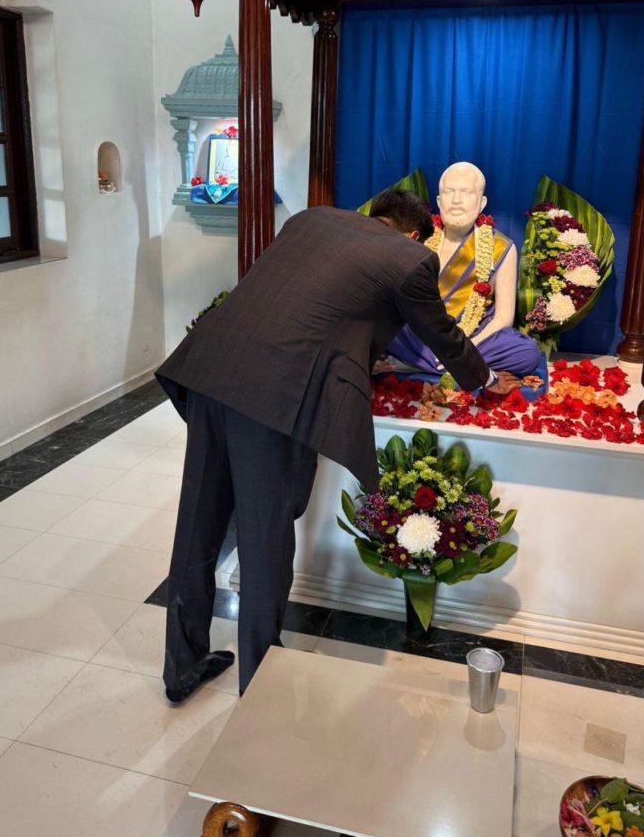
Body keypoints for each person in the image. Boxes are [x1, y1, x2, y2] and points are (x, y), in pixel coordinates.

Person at [156, 190, 521, 701]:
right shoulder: (410, 258)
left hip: (211, 367)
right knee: (264, 542)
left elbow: (309, 303)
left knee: (197, 525)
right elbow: (441, 333)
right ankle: (259, 687)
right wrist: (485, 378)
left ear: (375, 215)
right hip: (272, 394)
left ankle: (181, 669)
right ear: (414, 234)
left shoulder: (311, 220)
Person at [386, 162, 541, 379]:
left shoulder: (501, 247)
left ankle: (418, 364)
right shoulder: (420, 238)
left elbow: (503, 317)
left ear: (482, 202)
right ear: (439, 201)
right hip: (421, 331)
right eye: (449, 192)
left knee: (526, 353)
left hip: (474, 335)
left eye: (466, 192)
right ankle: (447, 365)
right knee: (381, 325)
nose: (456, 200)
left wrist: (465, 351)